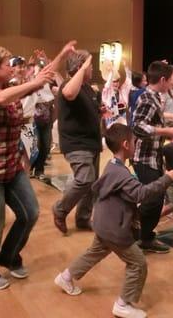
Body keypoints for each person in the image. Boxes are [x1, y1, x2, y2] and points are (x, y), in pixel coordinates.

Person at [0, 42, 69, 290]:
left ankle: (8, 257)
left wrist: (60, 55)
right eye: (7, 64)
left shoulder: (11, 87)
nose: (12, 68)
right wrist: (31, 83)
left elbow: (41, 80)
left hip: (9, 166)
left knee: (30, 213)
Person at [54, 123, 173, 318]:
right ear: (125, 145)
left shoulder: (112, 165)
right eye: (133, 142)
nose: (135, 145)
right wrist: (166, 178)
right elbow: (141, 193)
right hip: (115, 228)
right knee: (138, 263)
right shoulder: (122, 174)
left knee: (94, 253)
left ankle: (66, 277)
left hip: (103, 223)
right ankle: (123, 304)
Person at [132, 61, 173, 253]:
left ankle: (145, 237)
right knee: (153, 199)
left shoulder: (154, 97)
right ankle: (136, 232)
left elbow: (153, 120)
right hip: (144, 158)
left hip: (153, 157)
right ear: (162, 79)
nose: (171, 83)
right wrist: (167, 130)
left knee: (156, 197)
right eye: (169, 79)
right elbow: (137, 126)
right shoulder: (148, 97)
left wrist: (170, 125)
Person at [52, 49, 101, 235]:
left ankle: (82, 218)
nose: (92, 69)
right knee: (84, 179)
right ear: (81, 67)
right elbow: (70, 94)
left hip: (91, 142)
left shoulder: (88, 87)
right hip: (76, 143)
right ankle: (60, 209)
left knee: (92, 184)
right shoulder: (69, 84)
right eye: (90, 66)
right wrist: (83, 67)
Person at [102, 60, 132, 128]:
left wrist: (126, 67)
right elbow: (107, 86)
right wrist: (111, 73)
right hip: (110, 121)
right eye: (114, 82)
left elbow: (129, 80)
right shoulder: (107, 93)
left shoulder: (122, 91)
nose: (116, 83)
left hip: (122, 120)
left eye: (117, 81)